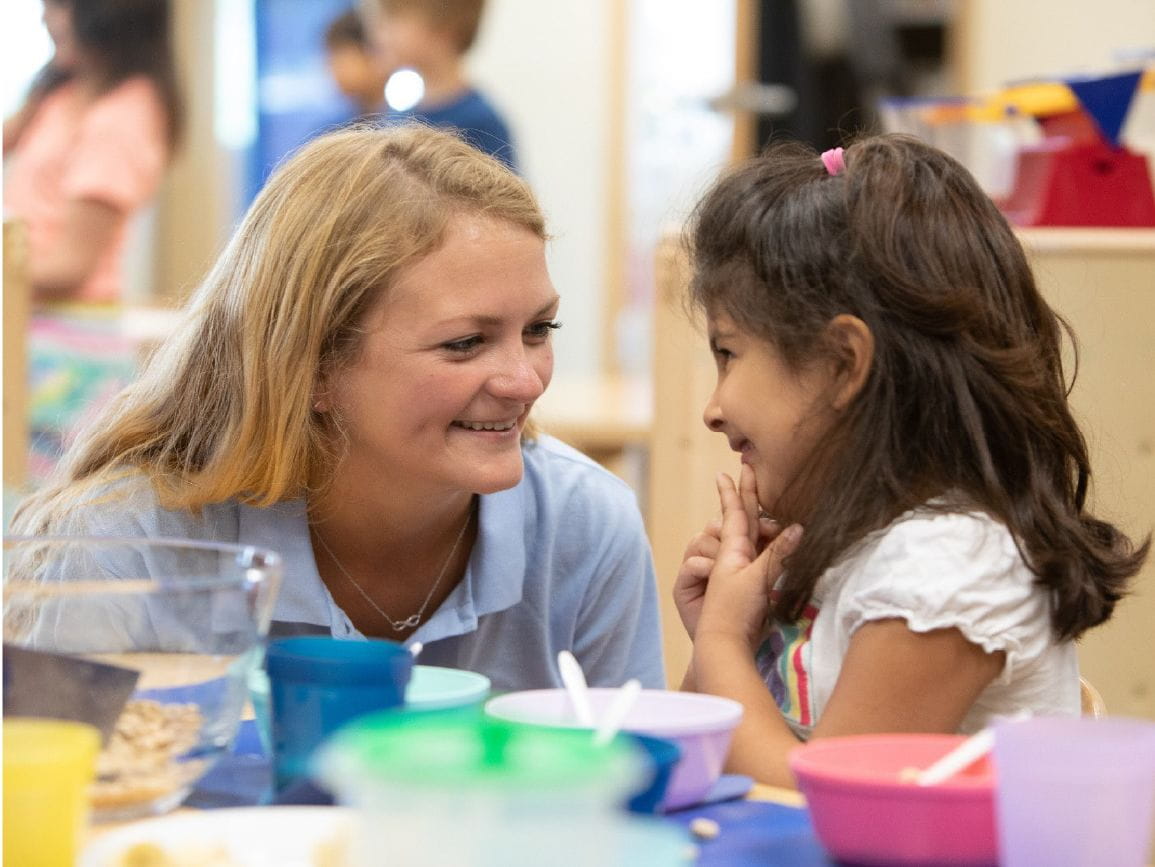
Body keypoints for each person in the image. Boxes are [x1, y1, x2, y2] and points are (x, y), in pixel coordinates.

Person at [12, 124, 665, 693]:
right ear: (314, 366)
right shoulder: (127, 549)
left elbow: (640, 782)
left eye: (539, 330)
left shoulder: (585, 526)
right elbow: (63, 787)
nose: (525, 381)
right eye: (465, 343)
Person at [672, 135, 1148, 788]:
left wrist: (722, 643)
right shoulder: (854, 547)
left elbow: (826, 803)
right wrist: (728, 637)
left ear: (843, 363)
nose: (713, 408)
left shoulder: (948, 566)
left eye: (728, 353)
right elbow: (701, 767)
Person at [3, 0, 182, 482]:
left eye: (60, 7)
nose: (46, 19)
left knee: (37, 507)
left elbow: (71, 265)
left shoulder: (125, 114)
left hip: (69, 350)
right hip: (30, 328)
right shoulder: (62, 90)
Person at [361, 0, 518, 171]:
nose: (378, 33)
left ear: (444, 30)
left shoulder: (482, 122)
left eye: (393, 19)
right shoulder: (398, 112)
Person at [324, 7, 391, 121]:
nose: (333, 71)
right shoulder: (338, 123)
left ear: (373, 52)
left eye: (341, 60)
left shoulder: (411, 116)